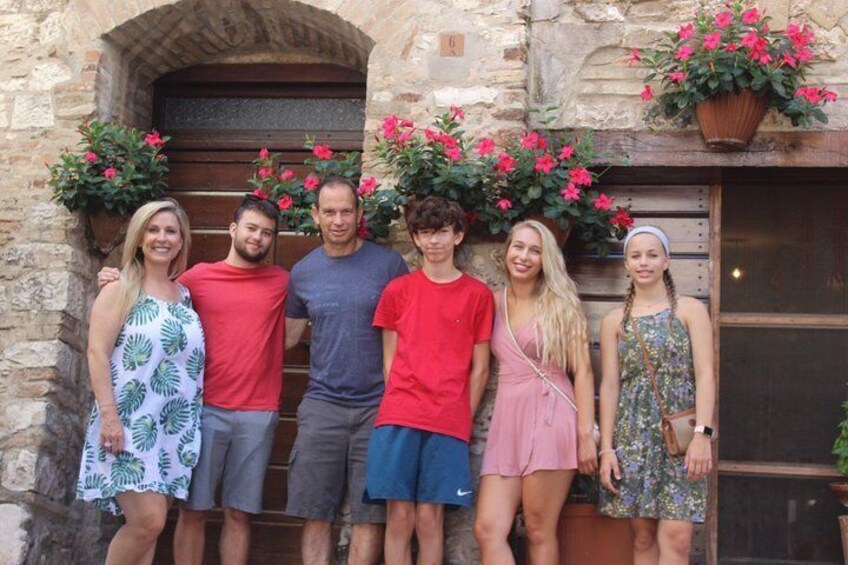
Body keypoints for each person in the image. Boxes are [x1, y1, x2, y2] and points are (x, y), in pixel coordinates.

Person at [98, 193, 289, 565]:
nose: (257, 238)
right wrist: (115, 278)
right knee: (193, 511)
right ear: (233, 229)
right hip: (202, 412)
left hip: (259, 412)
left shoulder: (282, 281)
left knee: (238, 513)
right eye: (251, 228)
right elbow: (151, 293)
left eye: (267, 233)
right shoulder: (195, 280)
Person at [363, 196, 495, 565]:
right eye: (425, 233)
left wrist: (460, 418)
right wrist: (402, 400)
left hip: (447, 421)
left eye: (441, 232)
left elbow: (480, 368)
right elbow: (389, 359)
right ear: (416, 239)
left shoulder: (478, 295)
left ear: (458, 235)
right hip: (398, 417)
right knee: (400, 517)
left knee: (429, 519)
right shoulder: (398, 291)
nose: (434, 241)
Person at [284, 176, 408, 565]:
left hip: (378, 406)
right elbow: (284, 337)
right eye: (330, 212)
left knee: (369, 514)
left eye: (346, 211)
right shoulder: (302, 272)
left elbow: (411, 332)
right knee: (315, 511)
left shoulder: (388, 265)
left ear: (359, 214)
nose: (338, 220)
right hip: (322, 405)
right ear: (315, 216)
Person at [77, 199, 204, 565]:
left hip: (170, 430)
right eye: (153, 229)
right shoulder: (120, 289)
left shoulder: (184, 297)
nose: (161, 238)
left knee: (151, 530)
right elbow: (97, 353)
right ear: (138, 237)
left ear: (181, 241)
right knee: (147, 522)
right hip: (129, 424)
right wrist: (110, 417)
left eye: (170, 231)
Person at [474, 220, 598, 565]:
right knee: (487, 528)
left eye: (535, 250)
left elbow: (584, 372)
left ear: (546, 259)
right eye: (519, 246)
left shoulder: (561, 303)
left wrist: (586, 434)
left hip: (551, 414)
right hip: (507, 420)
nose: (524, 256)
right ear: (507, 250)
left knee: (539, 530)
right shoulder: (492, 300)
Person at [597, 226, 714, 565]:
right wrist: (607, 448)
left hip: (680, 440)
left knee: (678, 539)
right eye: (635, 255)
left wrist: (703, 435)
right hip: (633, 438)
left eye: (652, 254)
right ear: (626, 264)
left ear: (667, 260)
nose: (643, 262)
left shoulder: (690, 310)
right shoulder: (614, 321)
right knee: (643, 536)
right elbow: (610, 385)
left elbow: (706, 374)